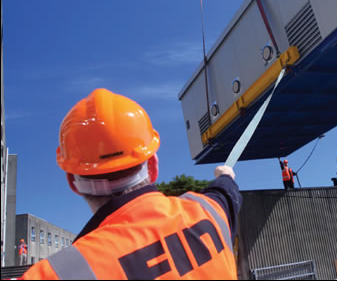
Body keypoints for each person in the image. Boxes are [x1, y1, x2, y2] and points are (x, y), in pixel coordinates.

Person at [20, 88, 241, 280]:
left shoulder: (58, 273)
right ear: (152, 167)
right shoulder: (209, 210)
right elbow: (225, 190)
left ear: (73, 183)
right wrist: (225, 175)